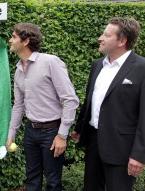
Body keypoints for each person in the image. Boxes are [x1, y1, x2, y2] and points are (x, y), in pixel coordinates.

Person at [71, 17, 145, 191]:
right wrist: (80, 127)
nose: (100, 38)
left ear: (122, 41)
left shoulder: (142, 67)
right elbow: (91, 99)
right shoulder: (97, 65)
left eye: (106, 35)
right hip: (94, 142)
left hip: (122, 149)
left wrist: (139, 155)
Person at [6, 23, 79, 191]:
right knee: (31, 178)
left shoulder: (50, 62)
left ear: (25, 41)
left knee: (53, 181)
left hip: (52, 132)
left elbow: (70, 99)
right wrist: (11, 135)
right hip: (31, 131)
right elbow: (18, 105)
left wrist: (62, 135)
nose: (10, 40)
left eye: (14, 36)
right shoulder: (18, 70)